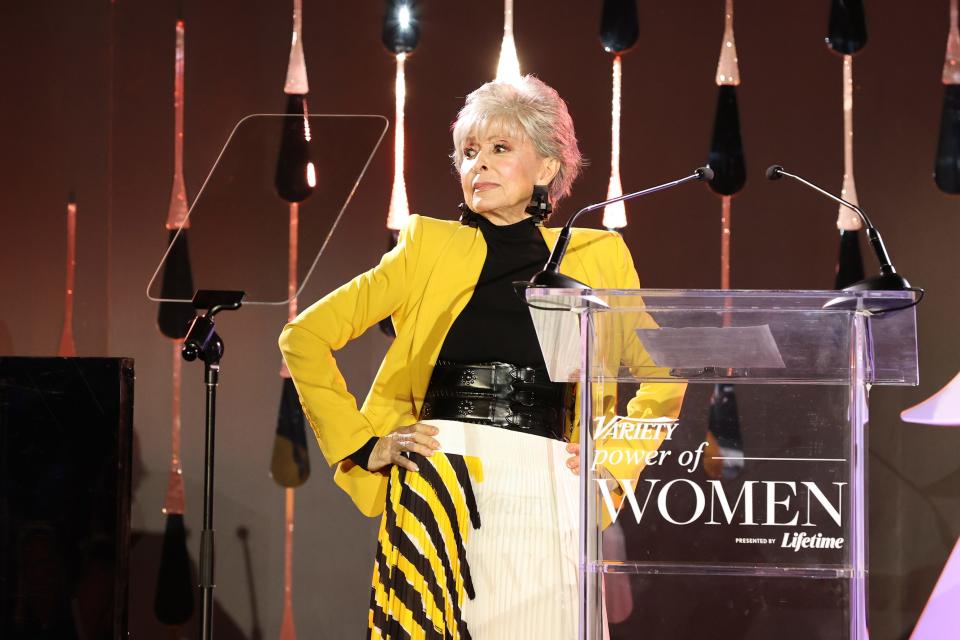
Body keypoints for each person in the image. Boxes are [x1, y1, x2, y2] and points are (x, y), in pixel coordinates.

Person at [279, 75, 685, 639]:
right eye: (469, 153)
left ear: (547, 167)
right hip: (440, 482)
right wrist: (363, 443)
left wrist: (614, 458)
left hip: (550, 485)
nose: (479, 166)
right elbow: (304, 337)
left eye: (499, 149)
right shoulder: (426, 245)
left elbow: (665, 371)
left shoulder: (600, 257)